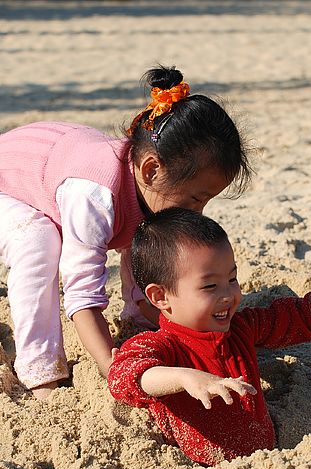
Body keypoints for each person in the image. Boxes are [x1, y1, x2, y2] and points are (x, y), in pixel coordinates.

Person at [0, 65, 251, 399]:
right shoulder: (94, 197)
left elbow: (145, 254)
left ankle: (138, 318)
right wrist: (113, 368)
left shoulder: (154, 185)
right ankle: (40, 369)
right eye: (195, 198)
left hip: (52, 161)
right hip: (11, 184)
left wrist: (153, 318)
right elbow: (82, 297)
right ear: (150, 170)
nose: (198, 212)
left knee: (149, 234)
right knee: (38, 241)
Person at [108, 208, 311, 467]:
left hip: (271, 462)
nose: (228, 295)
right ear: (161, 297)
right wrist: (184, 378)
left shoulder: (241, 328)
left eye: (232, 279)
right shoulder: (162, 345)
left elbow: (301, 319)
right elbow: (123, 376)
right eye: (210, 286)